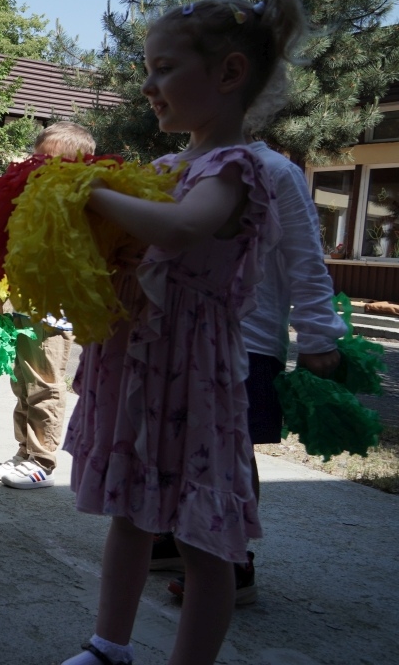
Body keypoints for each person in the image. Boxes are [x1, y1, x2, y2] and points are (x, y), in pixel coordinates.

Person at [58, 0, 306, 665]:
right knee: (131, 514)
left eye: (164, 68)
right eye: (148, 69)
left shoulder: (234, 169)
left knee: (204, 537)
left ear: (228, 74)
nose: (148, 86)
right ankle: (109, 644)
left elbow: (183, 228)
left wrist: (90, 191)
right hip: (143, 360)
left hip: (194, 371)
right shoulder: (169, 166)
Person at [152, 125, 348, 606]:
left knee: (230, 452)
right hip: (179, 333)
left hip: (248, 337)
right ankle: (178, 536)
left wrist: (320, 334)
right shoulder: (176, 166)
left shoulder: (276, 171)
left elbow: (305, 258)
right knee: (175, 440)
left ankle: (234, 558)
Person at [0, 122, 95, 490]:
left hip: (54, 314)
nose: (37, 165)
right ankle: (23, 452)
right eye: (37, 157)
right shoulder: (32, 199)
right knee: (22, 384)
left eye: (47, 160)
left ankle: (42, 460)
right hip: (22, 304)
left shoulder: (79, 205)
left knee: (45, 386)